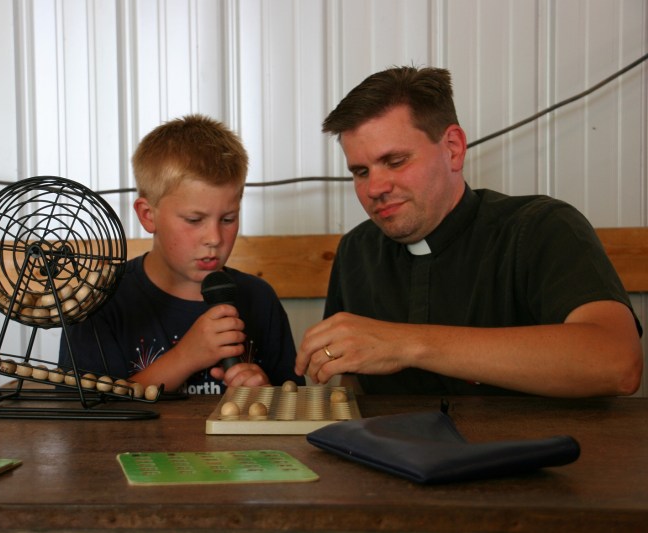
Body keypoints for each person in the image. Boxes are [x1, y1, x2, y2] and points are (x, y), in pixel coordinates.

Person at [295, 66, 643, 397]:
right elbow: (351, 386)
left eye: (395, 161)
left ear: (453, 149)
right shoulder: (357, 250)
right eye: (360, 171)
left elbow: (618, 364)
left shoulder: (539, 228)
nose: (374, 188)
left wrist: (406, 344)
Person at [60, 114, 303, 394]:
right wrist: (185, 358)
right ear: (148, 215)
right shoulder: (100, 301)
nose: (214, 238)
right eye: (193, 220)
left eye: (228, 219)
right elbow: (82, 419)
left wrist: (266, 391)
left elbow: (292, 407)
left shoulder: (260, 299)